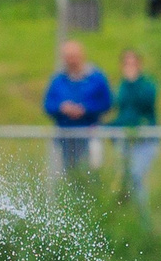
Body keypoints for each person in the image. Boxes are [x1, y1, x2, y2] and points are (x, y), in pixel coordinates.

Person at [42, 40, 112, 173]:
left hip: (90, 134)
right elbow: (48, 104)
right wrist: (61, 108)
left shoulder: (96, 78)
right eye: (68, 57)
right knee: (67, 173)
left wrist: (85, 109)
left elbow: (107, 103)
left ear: (82, 56)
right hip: (65, 135)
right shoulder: (58, 80)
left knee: (90, 172)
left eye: (74, 56)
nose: (71, 61)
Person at [111, 48, 161, 206]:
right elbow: (123, 115)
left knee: (136, 175)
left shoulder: (147, 85)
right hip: (126, 139)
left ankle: (143, 218)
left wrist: (133, 83)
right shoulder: (122, 87)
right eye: (126, 63)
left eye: (133, 63)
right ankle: (128, 216)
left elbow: (144, 104)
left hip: (145, 140)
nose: (130, 66)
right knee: (124, 180)